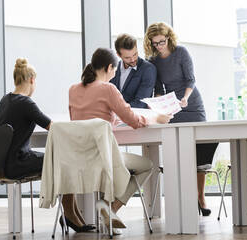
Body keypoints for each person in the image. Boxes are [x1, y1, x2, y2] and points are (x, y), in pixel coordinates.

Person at [68, 48, 171, 233]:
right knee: (147, 165)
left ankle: (104, 209)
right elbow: (132, 119)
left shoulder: (73, 89)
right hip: (104, 157)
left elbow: (79, 120)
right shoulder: (108, 89)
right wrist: (156, 118)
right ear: (109, 67)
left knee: (120, 162)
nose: (115, 74)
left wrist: (111, 118)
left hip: (80, 158)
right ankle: (111, 208)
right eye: (115, 70)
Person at [0, 58, 94, 233]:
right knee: (66, 161)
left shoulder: (5, 100)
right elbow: (53, 128)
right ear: (32, 80)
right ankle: (71, 215)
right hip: (18, 164)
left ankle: (72, 214)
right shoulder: (26, 103)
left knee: (60, 159)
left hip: (1, 165)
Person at [144, 22, 218, 216]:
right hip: (172, 106)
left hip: (191, 103)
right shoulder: (154, 60)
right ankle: (182, 199)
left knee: (199, 150)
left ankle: (200, 197)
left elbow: (190, 79)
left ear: (169, 37)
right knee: (177, 149)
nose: (159, 46)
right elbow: (159, 88)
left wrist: (185, 98)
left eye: (162, 41)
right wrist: (160, 105)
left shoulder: (181, 52)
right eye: (155, 43)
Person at [110, 34, 156, 108]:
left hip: (136, 116)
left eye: (135, 54)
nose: (133, 60)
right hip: (113, 117)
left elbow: (141, 102)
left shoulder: (148, 69)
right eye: (127, 57)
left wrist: (117, 109)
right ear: (118, 55)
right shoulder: (113, 69)